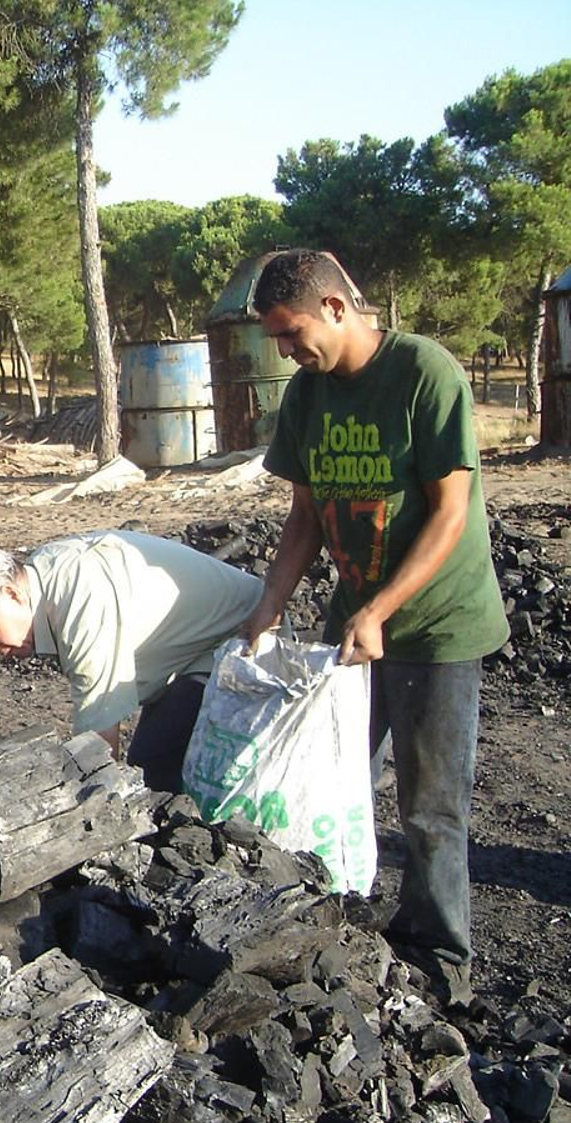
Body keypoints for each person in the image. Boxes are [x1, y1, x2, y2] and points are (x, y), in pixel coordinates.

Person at [240, 249, 508, 1007]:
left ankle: (439, 955)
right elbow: (303, 518)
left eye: (291, 334)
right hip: (352, 622)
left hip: (436, 625)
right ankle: (318, 923)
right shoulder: (307, 397)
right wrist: (269, 604)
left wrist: (380, 609)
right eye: (277, 342)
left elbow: (451, 512)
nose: (287, 352)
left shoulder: (424, 373)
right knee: (318, 780)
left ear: (334, 307)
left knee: (429, 806)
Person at [0, 530, 263, 793]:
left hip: (246, 642)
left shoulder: (78, 599)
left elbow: (98, 735)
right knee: (150, 770)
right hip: (188, 656)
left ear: (12, 594)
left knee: (158, 781)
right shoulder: (44, 576)